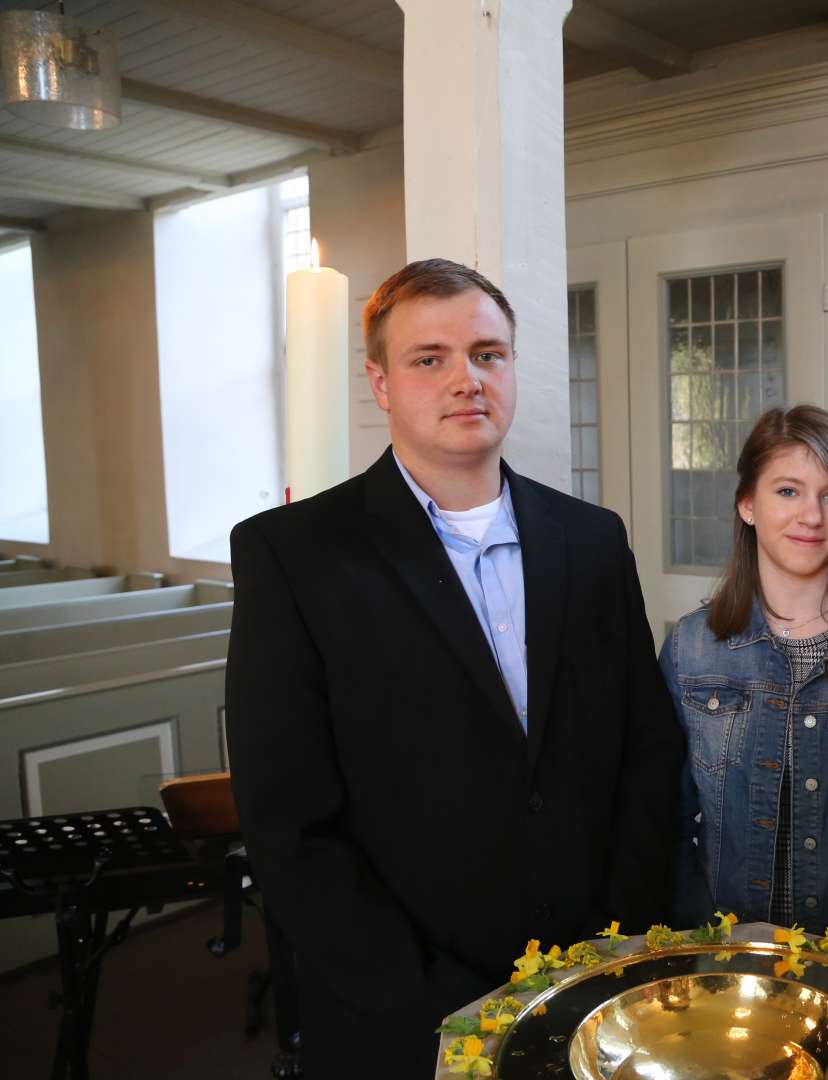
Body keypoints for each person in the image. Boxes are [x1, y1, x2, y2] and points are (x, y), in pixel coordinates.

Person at [226, 259, 684, 1077]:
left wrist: (616, 939)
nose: (466, 379)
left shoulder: (591, 539)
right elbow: (289, 824)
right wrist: (435, 1001)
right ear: (380, 382)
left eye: (488, 354)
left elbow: (645, 750)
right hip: (404, 1011)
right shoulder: (294, 556)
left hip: (593, 983)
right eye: (428, 358)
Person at [660, 404, 828, 948]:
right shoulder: (689, 649)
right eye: (787, 491)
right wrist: (712, 947)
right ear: (747, 504)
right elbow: (665, 823)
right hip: (719, 960)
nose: (811, 515)